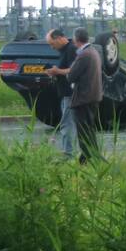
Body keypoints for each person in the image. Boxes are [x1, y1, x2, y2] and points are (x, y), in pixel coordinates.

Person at [66, 28, 103, 163]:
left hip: (83, 98)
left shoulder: (84, 55)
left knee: (83, 130)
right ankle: (93, 156)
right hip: (93, 96)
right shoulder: (94, 52)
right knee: (89, 129)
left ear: (76, 39)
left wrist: (67, 73)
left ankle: (86, 159)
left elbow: (71, 76)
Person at [45, 28, 78, 158]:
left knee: (66, 124)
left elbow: (73, 70)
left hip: (70, 93)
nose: (52, 47)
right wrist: (54, 73)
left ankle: (68, 154)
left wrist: (57, 71)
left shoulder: (71, 50)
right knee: (67, 123)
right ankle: (70, 152)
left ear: (59, 38)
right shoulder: (63, 50)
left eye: (52, 44)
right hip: (65, 93)